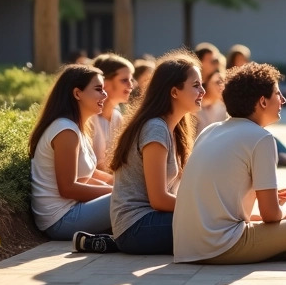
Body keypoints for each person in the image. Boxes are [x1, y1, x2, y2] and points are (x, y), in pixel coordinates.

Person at [172, 62, 286, 264]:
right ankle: (282, 249)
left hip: (185, 246)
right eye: (277, 94)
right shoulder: (261, 138)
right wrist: (285, 215)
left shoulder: (209, 130)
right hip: (220, 248)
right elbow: (271, 215)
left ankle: (284, 250)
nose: (283, 100)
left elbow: (225, 212)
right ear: (263, 102)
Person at [103, 52, 202, 254]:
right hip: (136, 227)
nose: (203, 91)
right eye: (196, 85)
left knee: (219, 222)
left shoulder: (175, 129)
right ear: (174, 92)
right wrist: (208, 209)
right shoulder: (155, 128)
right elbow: (158, 199)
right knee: (217, 226)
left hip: (150, 221)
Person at [27, 65, 114, 246]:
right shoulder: (65, 130)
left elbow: (86, 177)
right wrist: (118, 192)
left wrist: (118, 184)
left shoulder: (75, 128)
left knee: (132, 195)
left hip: (74, 211)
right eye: (98, 89)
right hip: (60, 220)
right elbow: (68, 188)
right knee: (131, 198)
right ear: (77, 93)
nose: (104, 95)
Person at [89, 53, 134, 172]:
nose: (131, 85)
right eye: (124, 80)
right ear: (105, 84)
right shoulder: (89, 118)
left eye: (131, 80)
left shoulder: (117, 117)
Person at [196, 67, 228, 132]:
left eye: (223, 82)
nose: (221, 86)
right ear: (207, 83)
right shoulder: (194, 107)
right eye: (218, 82)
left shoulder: (225, 110)